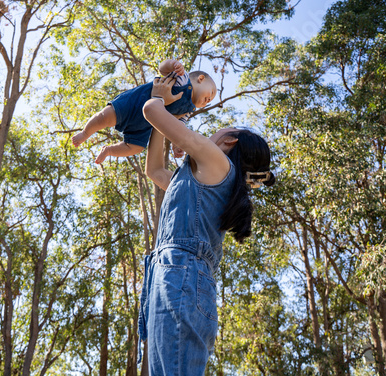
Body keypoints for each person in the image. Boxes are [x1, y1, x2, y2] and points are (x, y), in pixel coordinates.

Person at [138, 74, 275, 375]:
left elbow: (150, 111)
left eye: (221, 131)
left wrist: (161, 97)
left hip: (182, 278)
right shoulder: (197, 176)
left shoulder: (219, 162)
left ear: (229, 141)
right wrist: (169, 114)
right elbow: (155, 170)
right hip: (173, 277)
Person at [71, 59, 217, 163]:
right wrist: (172, 64)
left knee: (135, 148)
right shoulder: (183, 79)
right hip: (135, 103)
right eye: (211, 93)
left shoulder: (188, 111)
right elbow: (163, 69)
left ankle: (109, 150)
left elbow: (177, 126)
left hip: (144, 125)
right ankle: (85, 132)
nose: (209, 99)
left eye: (211, 100)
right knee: (105, 117)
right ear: (201, 79)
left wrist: (176, 144)